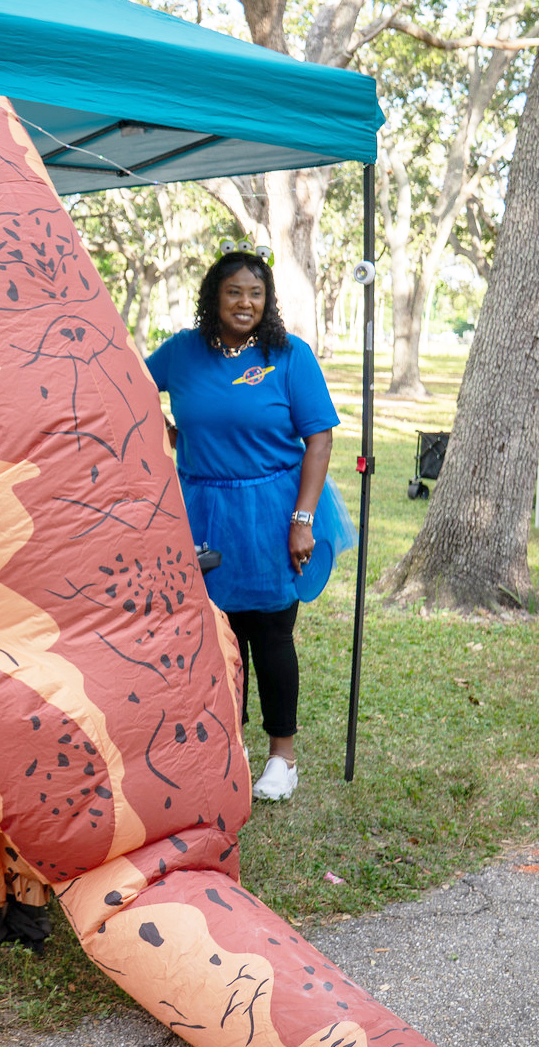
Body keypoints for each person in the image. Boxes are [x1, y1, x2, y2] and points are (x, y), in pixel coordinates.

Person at [145, 246, 339, 803]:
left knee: (271, 632)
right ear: (214, 297)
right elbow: (130, 389)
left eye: (256, 293)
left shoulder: (290, 356)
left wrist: (302, 519)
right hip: (202, 508)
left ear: (267, 301)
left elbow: (319, 438)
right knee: (210, 633)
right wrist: (169, 436)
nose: (245, 303)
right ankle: (225, 747)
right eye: (234, 292)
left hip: (273, 509)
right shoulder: (183, 352)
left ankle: (283, 757)